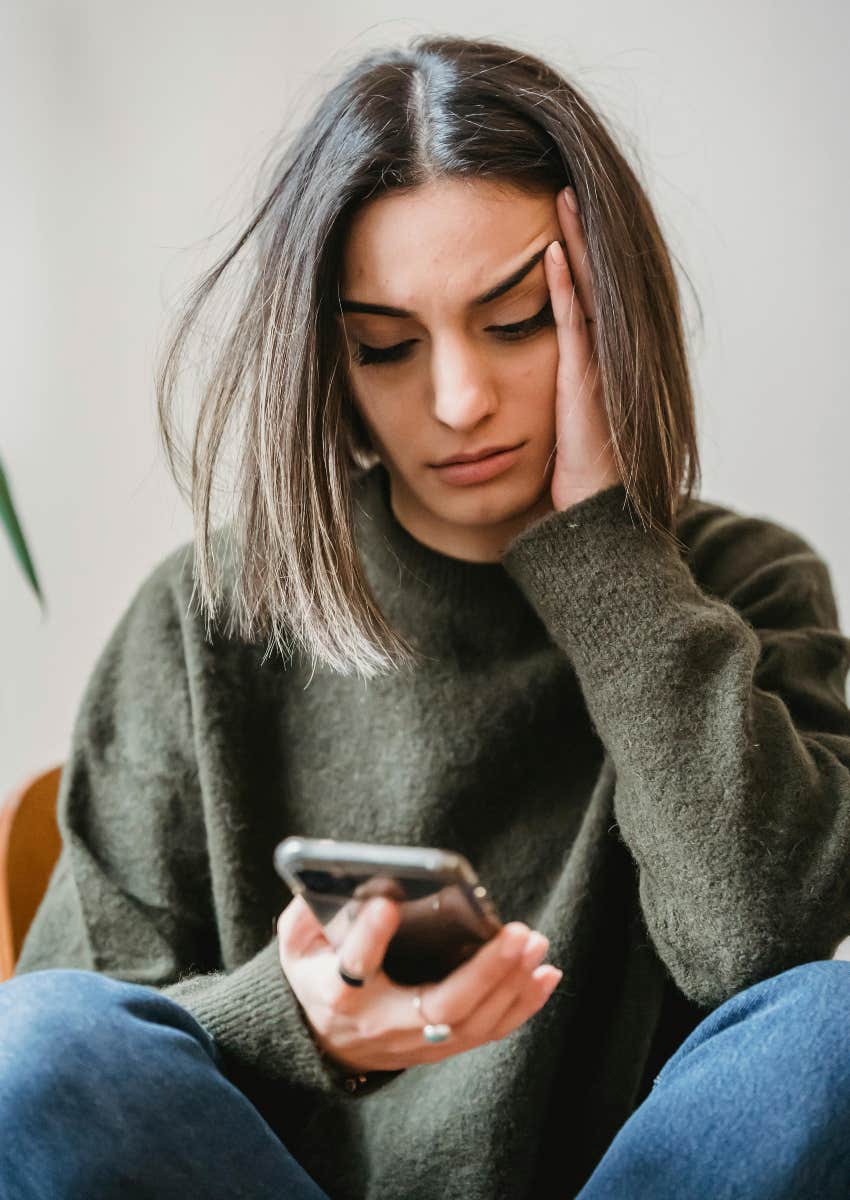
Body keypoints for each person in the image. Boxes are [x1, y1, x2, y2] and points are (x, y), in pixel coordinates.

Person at [4, 31, 850, 1200]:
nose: (457, 400)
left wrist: (604, 549)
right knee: (42, 1047)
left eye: (517, 322)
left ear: (613, 312)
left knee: (833, 1026)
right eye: (385, 347)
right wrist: (301, 1022)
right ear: (329, 361)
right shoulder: (209, 618)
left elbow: (755, 948)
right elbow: (64, 1052)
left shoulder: (744, 583)